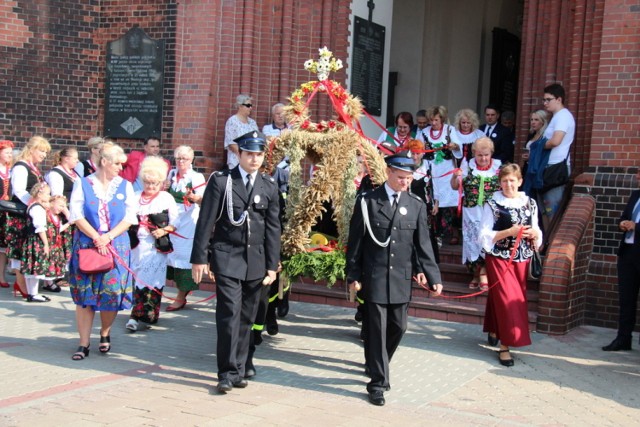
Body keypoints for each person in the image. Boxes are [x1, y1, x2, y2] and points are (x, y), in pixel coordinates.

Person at [346, 151, 443, 406]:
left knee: (399, 327)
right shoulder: (368, 201)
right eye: (401, 177)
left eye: (409, 178)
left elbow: (423, 244)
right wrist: (353, 275)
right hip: (375, 276)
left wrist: (433, 276)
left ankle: (377, 362)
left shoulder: (416, 204)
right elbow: (355, 243)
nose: (405, 182)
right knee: (376, 329)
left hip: (400, 277)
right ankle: (378, 383)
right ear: (388, 173)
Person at [191, 130, 280, 393]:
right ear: (238, 154)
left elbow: (274, 229)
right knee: (229, 314)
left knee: (246, 317)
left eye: (259, 154)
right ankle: (226, 372)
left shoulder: (269, 185)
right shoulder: (221, 182)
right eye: (250, 154)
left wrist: (272, 265)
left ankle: (239, 368)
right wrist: (200, 257)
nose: (255, 159)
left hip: (256, 261)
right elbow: (206, 221)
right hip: (227, 257)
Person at [68, 142, 137, 360]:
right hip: (87, 244)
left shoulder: (125, 186)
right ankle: (83, 343)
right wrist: (97, 236)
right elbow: (76, 214)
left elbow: (130, 217)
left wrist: (108, 236)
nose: (120, 167)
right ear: (104, 161)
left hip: (116, 245)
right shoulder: (83, 184)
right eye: (117, 163)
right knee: (85, 296)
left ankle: (105, 331)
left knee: (112, 294)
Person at [479, 164, 542, 367]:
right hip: (498, 257)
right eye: (504, 181)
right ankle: (505, 345)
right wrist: (509, 232)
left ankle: (494, 327)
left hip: (521, 258)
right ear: (500, 183)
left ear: (520, 182)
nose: (508, 185)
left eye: (512, 181)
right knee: (508, 299)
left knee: (503, 296)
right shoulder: (492, 204)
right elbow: (483, 235)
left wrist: (534, 234)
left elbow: (537, 229)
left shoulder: (530, 203)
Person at [125, 156, 178, 332]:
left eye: (154, 183)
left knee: (152, 280)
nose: (150, 187)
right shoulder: (134, 197)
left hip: (156, 247)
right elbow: (126, 218)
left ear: (161, 183)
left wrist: (163, 230)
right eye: (147, 183)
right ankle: (138, 314)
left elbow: (175, 222)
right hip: (137, 245)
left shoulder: (166, 198)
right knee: (138, 278)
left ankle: (145, 314)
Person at [451, 137, 501, 290]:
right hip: (471, 211)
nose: (483, 158)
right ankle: (475, 274)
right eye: (479, 155)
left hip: (490, 212)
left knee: (487, 240)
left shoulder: (498, 167)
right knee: (472, 242)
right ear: (474, 154)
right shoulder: (468, 166)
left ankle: (485, 272)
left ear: (491, 153)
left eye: (486, 155)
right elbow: (454, 187)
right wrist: (455, 176)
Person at [7, 136, 51, 299]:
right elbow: (19, 190)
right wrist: (35, 204)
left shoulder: (32, 167)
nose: (44, 155)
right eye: (42, 151)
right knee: (19, 250)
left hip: (28, 214)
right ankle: (22, 285)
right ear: (31, 149)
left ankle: (25, 286)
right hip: (21, 215)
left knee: (24, 251)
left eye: (46, 152)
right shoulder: (21, 167)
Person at [602, 168, 640, 352]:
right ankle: (623, 338)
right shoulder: (635, 195)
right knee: (626, 299)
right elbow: (625, 216)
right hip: (628, 253)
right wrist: (623, 223)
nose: (637, 176)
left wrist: (636, 227)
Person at [164, 145, 206, 311]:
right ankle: (177, 294)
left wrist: (194, 197)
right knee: (171, 255)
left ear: (191, 160)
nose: (181, 162)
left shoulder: (197, 177)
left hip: (188, 222)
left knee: (184, 257)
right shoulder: (171, 174)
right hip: (173, 219)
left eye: (185, 159)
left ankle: (181, 297)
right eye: (179, 158)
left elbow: (204, 200)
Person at [20, 183, 65, 301]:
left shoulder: (33, 206)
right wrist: (46, 243)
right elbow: (40, 228)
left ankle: (32, 293)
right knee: (36, 267)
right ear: (39, 194)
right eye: (47, 194)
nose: (49, 196)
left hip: (31, 240)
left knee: (32, 268)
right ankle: (33, 294)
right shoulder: (37, 208)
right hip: (37, 241)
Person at [423, 105, 461, 244]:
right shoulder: (424, 132)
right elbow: (419, 150)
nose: (433, 123)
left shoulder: (450, 130)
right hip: (431, 170)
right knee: (433, 200)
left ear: (442, 119)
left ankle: (451, 233)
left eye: (436, 120)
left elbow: (459, 148)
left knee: (449, 201)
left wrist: (454, 146)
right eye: (431, 120)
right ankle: (435, 234)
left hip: (447, 170)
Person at [540, 83, 575, 228]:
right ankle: (547, 242)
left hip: (556, 168)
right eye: (544, 100)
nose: (545, 103)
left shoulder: (563, 116)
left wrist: (538, 145)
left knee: (552, 209)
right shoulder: (557, 116)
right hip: (549, 166)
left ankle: (552, 244)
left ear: (559, 99)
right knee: (545, 209)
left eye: (548, 99)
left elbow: (555, 141)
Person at [224, 94, 259, 170]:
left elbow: (257, 140)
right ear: (240, 106)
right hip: (236, 160)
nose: (250, 108)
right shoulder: (232, 121)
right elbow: (231, 144)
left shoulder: (252, 123)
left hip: (251, 161)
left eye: (251, 105)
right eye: (248, 105)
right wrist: (244, 156)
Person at [522, 110, 550, 197]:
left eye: (536, 120)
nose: (533, 122)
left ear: (543, 122)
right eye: (531, 120)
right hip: (527, 168)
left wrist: (532, 157)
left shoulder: (545, 137)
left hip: (536, 169)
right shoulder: (531, 135)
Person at [0, 139, 14, 289]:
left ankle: (1, 276)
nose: (10, 155)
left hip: (6, 211)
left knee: (3, 247)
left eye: (11, 153)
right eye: (6, 152)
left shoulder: (11, 171)